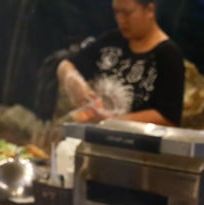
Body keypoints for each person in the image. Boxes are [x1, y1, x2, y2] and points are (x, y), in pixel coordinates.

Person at [56, 0, 185, 126]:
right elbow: (66, 65)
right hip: (97, 138)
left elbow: (168, 117)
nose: (121, 20)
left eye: (127, 13)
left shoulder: (168, 55)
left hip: (136, 144)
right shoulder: (112, 40)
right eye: (117, 12)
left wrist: (112, 120)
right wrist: (75, 84)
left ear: (150, 10)